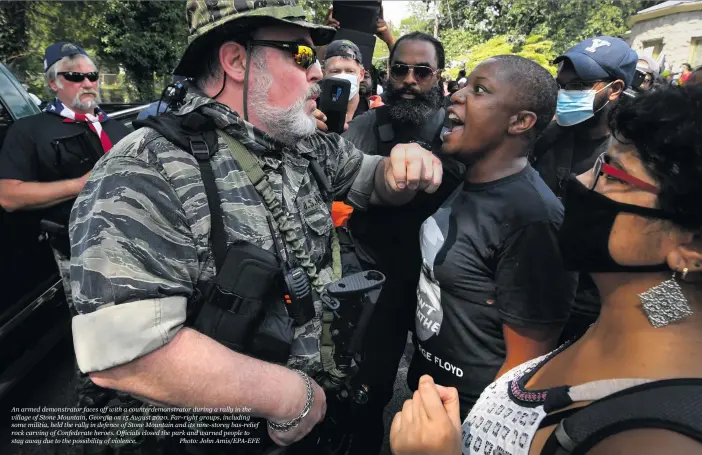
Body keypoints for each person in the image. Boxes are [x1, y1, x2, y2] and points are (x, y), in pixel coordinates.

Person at [68, 1, 442, 454]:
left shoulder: (304, 145)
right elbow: (124, 355)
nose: (318, 72)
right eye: (301, 55)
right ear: (236, 61)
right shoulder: (144, 168)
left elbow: (373, 180)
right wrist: (289, 397)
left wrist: (405, 164)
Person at [391, 84, 702, 455]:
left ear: (695, 246)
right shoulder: (640, 316)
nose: (579, 181)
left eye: (612, 175)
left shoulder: (661, 439)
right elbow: (671, 308)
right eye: (598, 164)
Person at [406, 55, 577, 421]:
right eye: (464, 85)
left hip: (467, 419)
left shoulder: (533, 220)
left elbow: (525, 368)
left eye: (479, 90)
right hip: (428, 399)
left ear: (520, 122)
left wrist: (473, 432)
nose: (457, 94)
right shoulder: (467, 181)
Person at [339, 31, 463, 455]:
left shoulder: (461, 133)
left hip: (442, 289)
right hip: (378, 280)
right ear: (387, 74)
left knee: (433, 391)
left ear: (438, 76)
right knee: (367, 387)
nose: (409, 79)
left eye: (422, 71)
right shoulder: (360, 129)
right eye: (400, 69)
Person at [0, 41, 130, 310]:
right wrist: (80, 184)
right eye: (74, 76)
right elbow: (8, 195)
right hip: (77, 259)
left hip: (135, 247)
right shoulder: (28, 131)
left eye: (92, 75)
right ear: (53, 83)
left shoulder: (119, 129)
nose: (87, 82)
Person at [532, 36, 638, 345]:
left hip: (595, 307)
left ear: (615, 89)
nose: (565, 94)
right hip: (537, 288)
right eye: (562, 85)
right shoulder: (549, 135)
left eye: (578, 86)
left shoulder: (635, 155)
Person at [321, 39, 365, 124]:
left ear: (361, 74)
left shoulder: (373, 114)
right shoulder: (312, 110)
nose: (343, 77)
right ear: (323, 74)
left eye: (350, 71)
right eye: (335, 71)